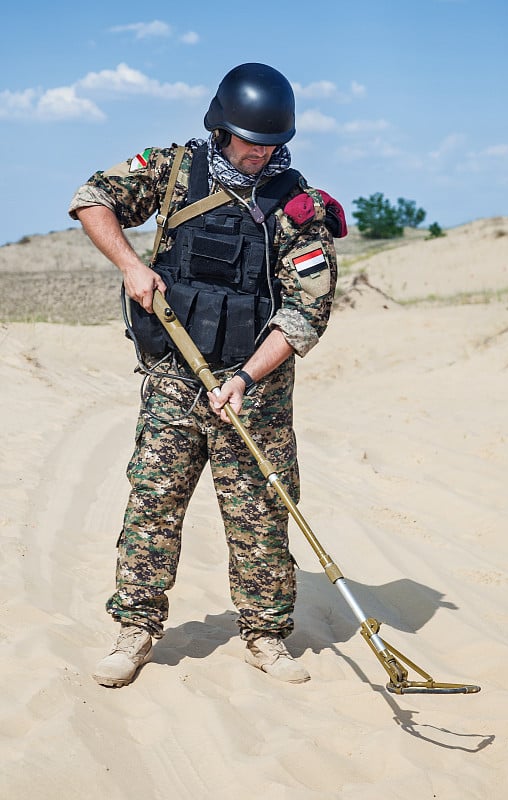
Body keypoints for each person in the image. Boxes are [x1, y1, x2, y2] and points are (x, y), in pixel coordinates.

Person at [69, 62, 346, 688]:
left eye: (272, 146)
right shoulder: (172, 171)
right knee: (153, 503)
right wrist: (131, 267)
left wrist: (246, 378)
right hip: (174, 377)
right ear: (221, 129)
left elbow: (308, 312)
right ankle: (134, 629)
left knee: (261, 513)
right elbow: (93, 199)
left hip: (256, 392)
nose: (260, 155)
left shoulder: (299, 208)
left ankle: (267, 635)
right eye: (250, 143)